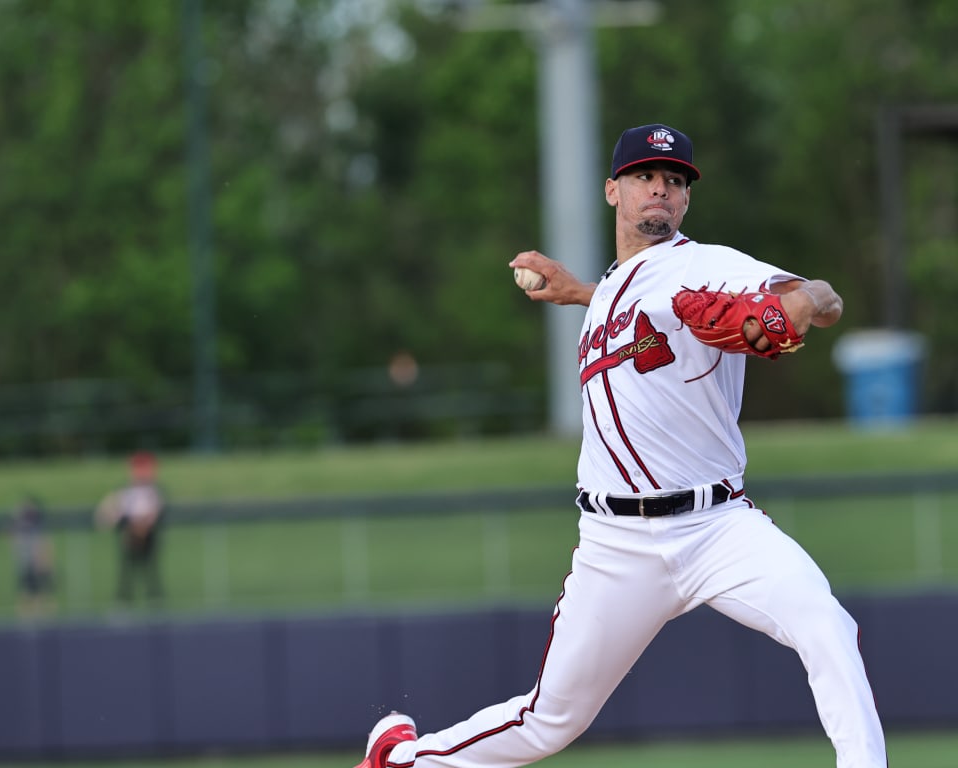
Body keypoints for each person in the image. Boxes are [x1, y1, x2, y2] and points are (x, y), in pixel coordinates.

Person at [354, 123, 887, 768]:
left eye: (674, 180)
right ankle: (406, 762)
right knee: (549, 720)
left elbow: (824, 300)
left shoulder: (709, 264)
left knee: (825, 626)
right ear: (613, 191)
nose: (660, 189)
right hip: (616, 545)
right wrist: (580, 290)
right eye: (644, 177)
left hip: (718, 527)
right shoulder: (611, 289)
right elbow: (639, 306)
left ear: (686, 200)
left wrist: (793, 307)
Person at [96, 451, 167, 607]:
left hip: (147, 536)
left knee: (150, 569)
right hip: (129, 535)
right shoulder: (126, 491)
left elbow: (155, 511)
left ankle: (154, 598)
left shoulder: (152, 491)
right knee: (127, 570)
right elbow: (110, 512)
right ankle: (124, 598)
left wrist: (143, 527)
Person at [9, 494, 56, 620]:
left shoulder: (38, 522)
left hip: (38, 561)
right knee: (26, 590)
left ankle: (43, 616)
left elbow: (45, 542)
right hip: (26, 561)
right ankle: (26, 617)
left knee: (42, 590)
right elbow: (10, 534)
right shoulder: (19, 522)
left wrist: (45, 558)